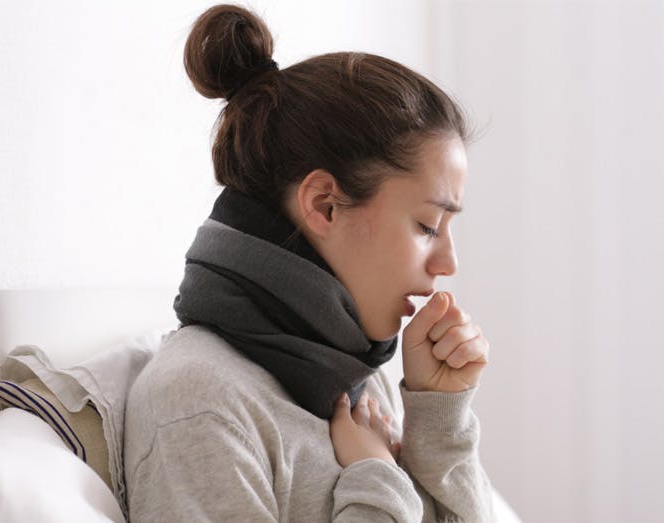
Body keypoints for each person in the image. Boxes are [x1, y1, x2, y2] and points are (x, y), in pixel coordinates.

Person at [124, 4, 520, 522]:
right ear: (324, 205)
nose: (448, 264)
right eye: (427, 226)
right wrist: (376, 478)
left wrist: (439, 417)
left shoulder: (354, 377)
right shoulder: (200, 403)